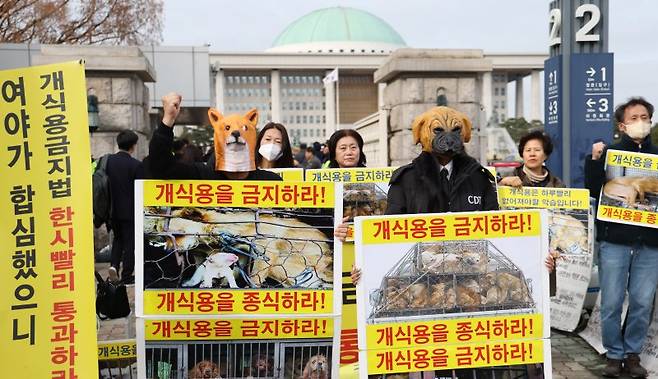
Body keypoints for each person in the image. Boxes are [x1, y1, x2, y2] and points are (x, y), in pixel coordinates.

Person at [584, 97, 658, 378]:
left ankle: (633, 354)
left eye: (644, 117)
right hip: (614, 241)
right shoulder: (608, 154)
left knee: (642, 301)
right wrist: (593, 160)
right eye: (634, 118)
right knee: (612, 301)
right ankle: (614, 354)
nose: (640, 122)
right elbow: (593, 190)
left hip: (650, 244)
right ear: (622, 125)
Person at [149, 93, 280, 181]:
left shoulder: (271, 183)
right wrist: (168, 121)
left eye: (244, 129)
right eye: (227, 130)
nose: (236, 133)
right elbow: (160, 167)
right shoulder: (200, 175)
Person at [107, 130, 144, 284]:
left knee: (118, 239)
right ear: (133, 146)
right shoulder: (136, 165)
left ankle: (114, 266)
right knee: (130, 244)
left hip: (111, 210)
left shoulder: (108, 162)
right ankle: (127, 276)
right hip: (130, 211)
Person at [498, 129, 564, 188]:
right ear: (522, 154)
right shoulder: (509, 177)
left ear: (545, 155)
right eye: (528, 150)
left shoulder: (557, 185)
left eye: (537, 150)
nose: (532, 154)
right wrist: (502, 182)